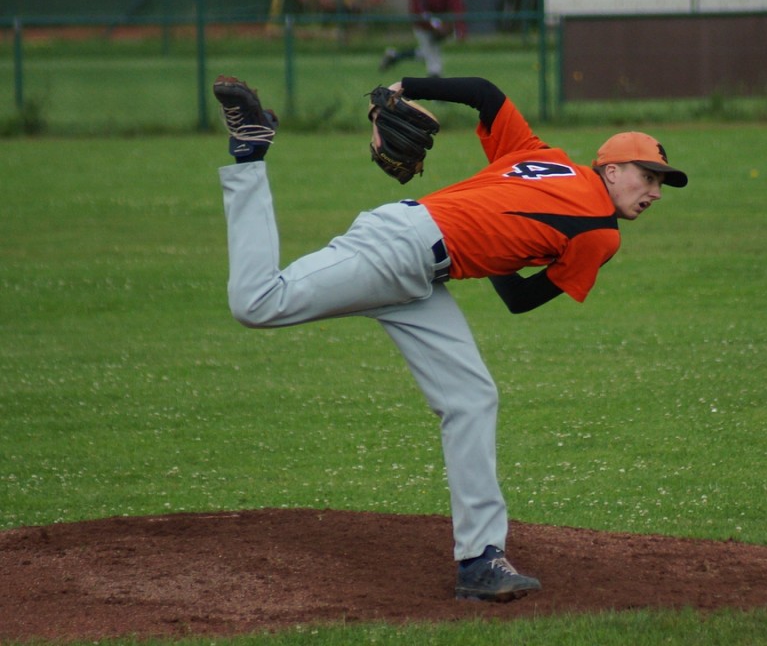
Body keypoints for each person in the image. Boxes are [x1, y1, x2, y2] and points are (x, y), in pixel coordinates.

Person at [211, 74, 688, 602]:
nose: (654, 192)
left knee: (471, 399)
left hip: (419, 275)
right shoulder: (600, 233)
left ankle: (481, 562)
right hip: (399, 251)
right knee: (256, 302)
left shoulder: (539, 155)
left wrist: (406, 84)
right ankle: (250, 151)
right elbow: (520, 298)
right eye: (648, 177)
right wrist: (503, 240)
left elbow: (484, 93)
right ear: (612, 169)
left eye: (661, 184)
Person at [378, 0, 467, 77]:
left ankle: (395, 56)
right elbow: (419, 10)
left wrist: (459, 28)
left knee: (427, 53)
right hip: (423, 26)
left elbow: (457, 5)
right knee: (434, 64)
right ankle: (433, 82)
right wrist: (435, 26)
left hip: (441, 24)